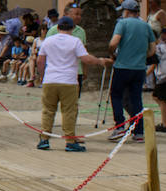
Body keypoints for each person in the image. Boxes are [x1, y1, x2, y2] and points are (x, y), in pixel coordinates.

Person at [34, 16, 110, 152]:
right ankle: (69, 140)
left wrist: (42, 76)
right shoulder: (75, 41)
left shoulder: (48, 40)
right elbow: (85, 58)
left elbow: (40, 61)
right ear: (72, 28)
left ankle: (44, 139)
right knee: (69, 111)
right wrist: (99, 61)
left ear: (57, 28)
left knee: (48, 110)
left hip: (50, 79)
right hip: (68, 80)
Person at [107, 0, 157, 141]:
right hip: (139, 68)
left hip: (122, 66)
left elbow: (114, 42)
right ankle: (138, 131)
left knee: (116, 95)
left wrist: (113, 54)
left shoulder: (122, 23)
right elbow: (153, 49)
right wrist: (142, 56)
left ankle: (120, 126)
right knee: (136, 99)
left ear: (127, 11)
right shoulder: (146, 26)